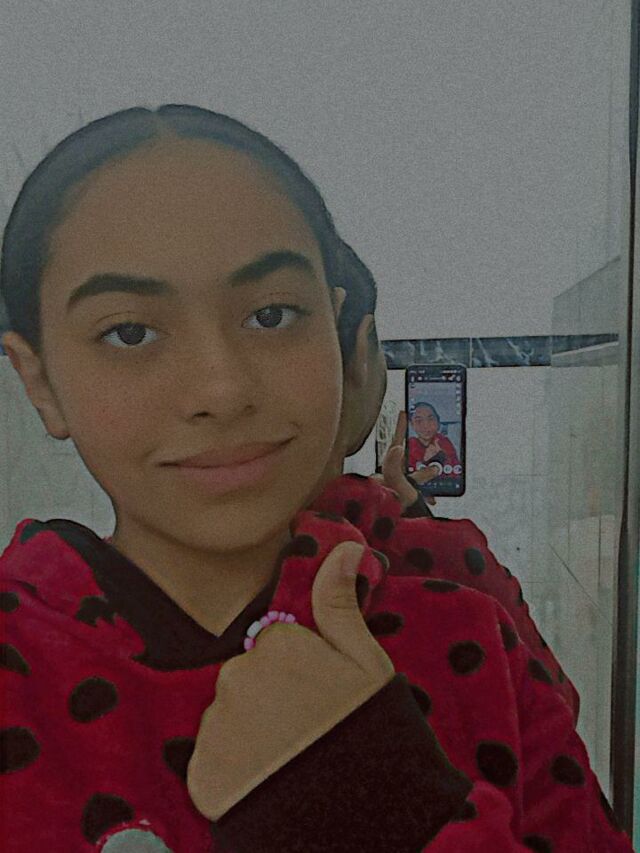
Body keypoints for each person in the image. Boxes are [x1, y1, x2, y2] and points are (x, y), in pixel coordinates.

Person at [0, 105, 632, 852]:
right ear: (39, 381)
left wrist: (386, 806)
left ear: (336, 333)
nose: (222, 388)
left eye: (271, 315)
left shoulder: (476, 648)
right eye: (130, 332)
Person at [407, 402, 461, 485]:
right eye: (418, 421)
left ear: (438, 422)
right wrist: (426, 461)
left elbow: (456, 473)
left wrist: (442, 456)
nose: (426, 425)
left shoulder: (444, 442)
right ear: (412, 424)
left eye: (431, 419)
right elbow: (409, 480)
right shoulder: (410, 445)